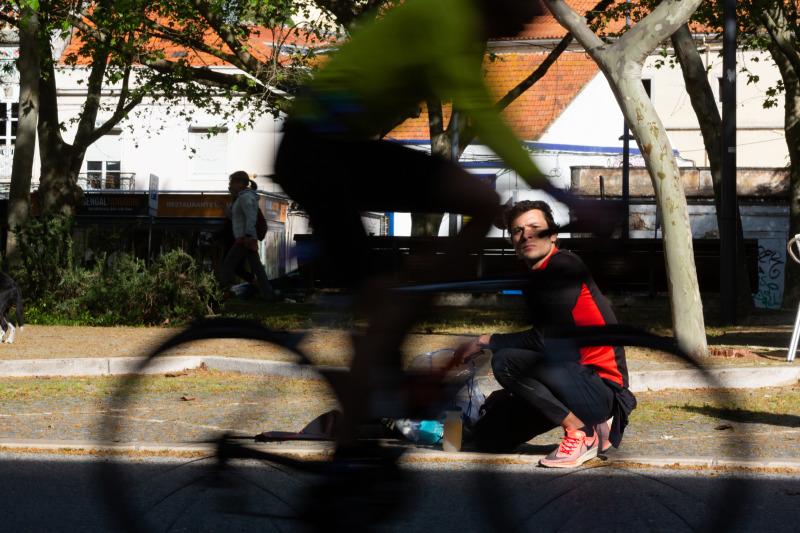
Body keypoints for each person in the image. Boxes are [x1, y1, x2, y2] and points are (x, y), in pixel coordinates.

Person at [453, 200, 635, 468]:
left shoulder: (565, 267)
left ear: (553, 236)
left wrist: (484, 340)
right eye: (517, 231)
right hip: (569, 379)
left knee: (505, 360)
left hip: (600, 389)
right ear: (513, 242)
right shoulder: (533, 279)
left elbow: (545, 338)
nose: (526, 235)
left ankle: (582, 432)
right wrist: (518, 391)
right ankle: (589, 427)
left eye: (535, 228)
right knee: (487, 438)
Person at [220, 171, 273, 302]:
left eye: (232, 182)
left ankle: (220, 295)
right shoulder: (242, 197)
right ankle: (267, 296)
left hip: (244, 238)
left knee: (228, 265)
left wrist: (248, 235)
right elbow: (236, 217)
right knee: (257, 268)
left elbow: (251, 217)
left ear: (240, 182)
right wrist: (225, 209)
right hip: (245, 237)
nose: (230, 185)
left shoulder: (245, 197)